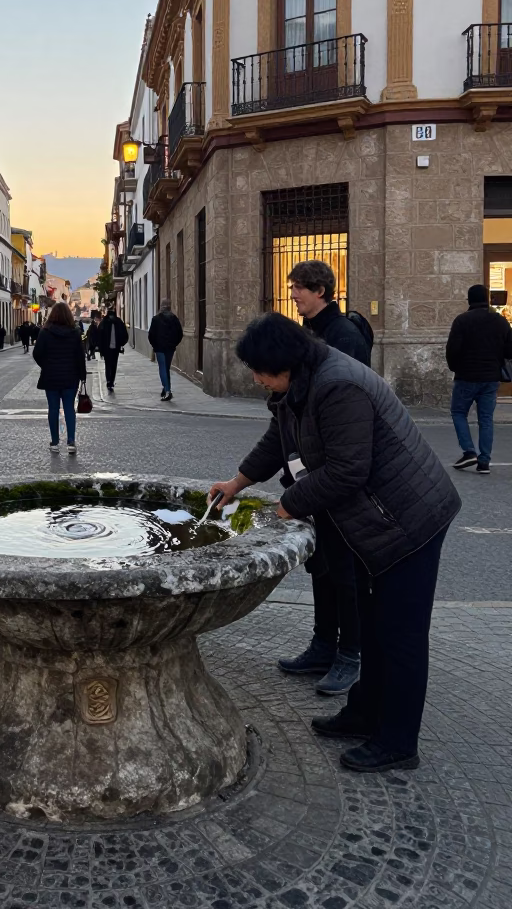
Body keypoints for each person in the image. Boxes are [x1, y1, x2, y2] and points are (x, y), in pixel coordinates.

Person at [209, 312, 461, 773]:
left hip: (410, 518)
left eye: (260, 371)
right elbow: (278, 439)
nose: (255, 378)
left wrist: (288, 503)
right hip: (376, 519)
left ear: (284, 364)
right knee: (372, 619)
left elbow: (349, 470)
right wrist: (238, 481)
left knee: (399, 634)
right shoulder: (299, 384)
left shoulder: (338, 385)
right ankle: (365, 712)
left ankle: (398, 742)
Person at [278, 260, 372, 697]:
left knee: (347, 572)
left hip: (340, 475)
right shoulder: (309, 334)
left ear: (320, 290)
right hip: (313, 471)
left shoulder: (343, 336)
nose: (293, 294)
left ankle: (350, 655)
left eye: (297, 287)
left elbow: (340, 410)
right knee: (322, 565)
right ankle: (322, 644)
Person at [446, 283, 512, 475]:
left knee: (458, 412)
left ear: (469, 300)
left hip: (466, 376)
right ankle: (484, 461)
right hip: (491, 378)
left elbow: (452, 350)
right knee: (486, 419)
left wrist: (455, 367)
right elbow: (509, 350)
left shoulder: (462, 321)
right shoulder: (500, 321)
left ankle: (468, 452)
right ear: (487, 299)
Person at [33, 301, 86, 455]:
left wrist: (46, 365)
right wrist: (82, 376)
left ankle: (55, 443)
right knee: (69, 408)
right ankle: (71, 442)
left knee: (53, 409)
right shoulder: (75, 333)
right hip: (71, 377)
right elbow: (80, 357)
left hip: (51, 377)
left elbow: (37, 354)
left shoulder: (45, 332)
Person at [148, 299, 183, 402]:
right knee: (166, 367)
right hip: (170, 348)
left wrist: (154, 345)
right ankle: (166, 388)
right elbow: (179, 333)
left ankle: (167, 391)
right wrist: (174, 343)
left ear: (161, 307)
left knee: (163, 368)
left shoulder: (156, 319)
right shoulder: (174, 318)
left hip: (159, 348)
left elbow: (151, 335)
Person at [97, 306, 128, 393]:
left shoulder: (104, 322)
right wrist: (121, 344)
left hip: (107, 348)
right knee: (114, 365)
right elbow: (125, 335)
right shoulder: (119, 322)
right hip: (115, 348)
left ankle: (109, 381)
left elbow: (99, 336)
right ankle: (111, 382)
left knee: (108, 365)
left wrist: (100, 348)